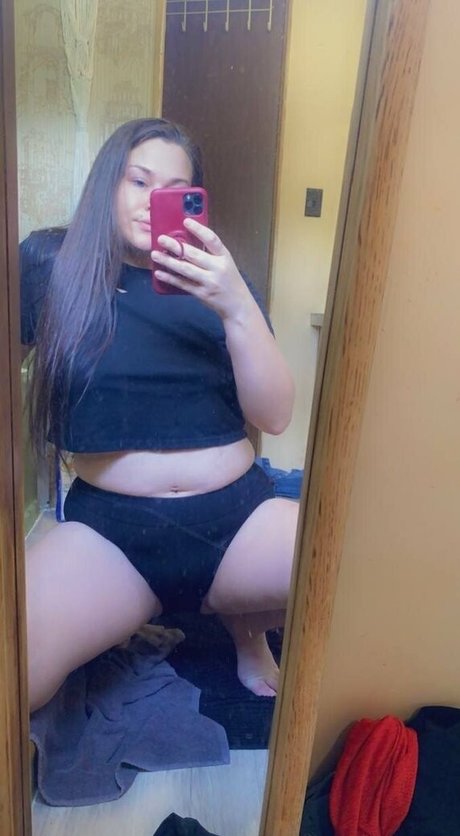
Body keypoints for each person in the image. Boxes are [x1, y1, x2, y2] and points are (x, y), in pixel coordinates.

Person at [21, 118, 298, 713]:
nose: (153, 203)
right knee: (14, 674)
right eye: (138, 181)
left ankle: (246, 626)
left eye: (174, 190)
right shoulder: (51, 262)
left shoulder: (221, 280)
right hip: (110, 535)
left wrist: (236, 306)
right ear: (108, 183)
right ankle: (152, 613)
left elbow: (274, 416)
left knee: (360, 576)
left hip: (240, 521)